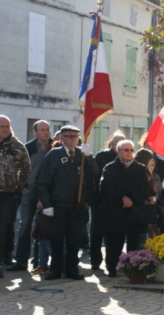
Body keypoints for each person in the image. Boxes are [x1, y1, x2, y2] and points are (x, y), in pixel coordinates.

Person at [36, 125, 96, 280]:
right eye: (69, 136)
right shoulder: (54, 155)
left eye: (75, 136)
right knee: (56, 240)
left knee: (74, 240)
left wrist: (89, 157)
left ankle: (72, 270)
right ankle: (55, 269)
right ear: (61, 137)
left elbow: (93, 174)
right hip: (58, 205)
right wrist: (47, 204)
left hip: (77, 206)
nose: (73, 139)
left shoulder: (81, 155)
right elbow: (43, 182)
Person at [100, 140, 149, 278]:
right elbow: (105, 189)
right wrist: (122, 198)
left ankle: (132, 269)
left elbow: (144, 190)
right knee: (114, 243)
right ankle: (112, 268)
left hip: (134, 213)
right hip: (115, 212)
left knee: (134, 243)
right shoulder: (109, 168)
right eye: (126, 150)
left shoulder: (140, 169)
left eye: (131, 150)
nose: (129, 153)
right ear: (118, 151)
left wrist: (132, 199)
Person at [7, 120, 52, 272]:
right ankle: (21, 261)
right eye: (42, 130)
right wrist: (21, 186)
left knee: (46, 227)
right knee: (25, 225)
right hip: (30, 190)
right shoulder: (27, 148)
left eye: (48, 129)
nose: (46, 132)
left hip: (48, 191)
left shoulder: (55, 147)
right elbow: (17, 168)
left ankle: (44, 263)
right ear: (35, 132)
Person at [90, 130, 126, 272]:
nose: (121, 146)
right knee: (97, 232)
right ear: (112, 143)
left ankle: (113, 262)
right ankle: (95, 261)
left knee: (114, 234)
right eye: (118, 142)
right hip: (100, 201)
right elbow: (95, 176)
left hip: (117, 202)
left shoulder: (127, 159)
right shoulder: (102, 156)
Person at [0, 116, 30, 277]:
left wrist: (19, 187)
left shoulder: (17, 146)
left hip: (7, 193)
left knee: (3, 228)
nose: (5, 129)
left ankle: (5, 257)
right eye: (2, 126)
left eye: (7, 126)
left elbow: (25, 168)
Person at [134, 148, 162, 237]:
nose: (150, 167)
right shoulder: (136, 175)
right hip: (139, 212)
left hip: (152, 211)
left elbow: (159, 193)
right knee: (141, 239)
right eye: (148, 164)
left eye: (152, 165)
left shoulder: (155, 177)